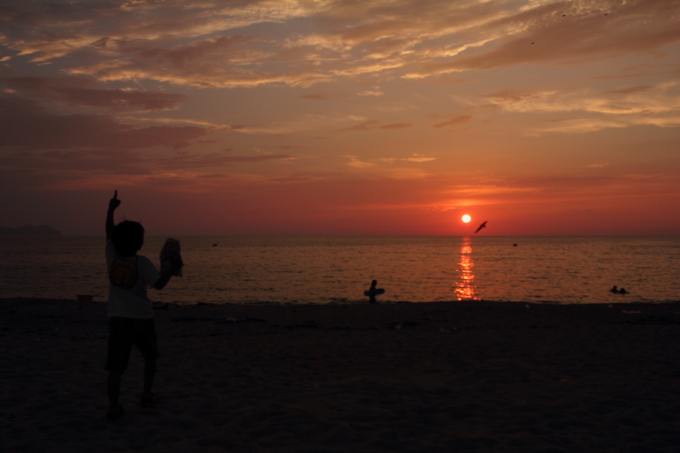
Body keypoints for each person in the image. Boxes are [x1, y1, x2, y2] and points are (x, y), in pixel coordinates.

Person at [104, 190, 183, 422]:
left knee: (115, 368)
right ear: (140, 243)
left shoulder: (111, 256)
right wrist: (170, 268)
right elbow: (158, 285)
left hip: (117, 319)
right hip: (141, 319)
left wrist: (111, 210)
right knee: (150, 358)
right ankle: (147, 395)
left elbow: (108, 233)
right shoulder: (142, 262)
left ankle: (113, 408)